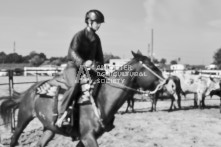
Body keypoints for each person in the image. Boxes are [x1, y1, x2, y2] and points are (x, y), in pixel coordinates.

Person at [55, 9, 105, 127]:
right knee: (74, 85)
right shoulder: (79, 35)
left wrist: (101, 70)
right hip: (73, 67)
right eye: (97, 22)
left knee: (101, 83)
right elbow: (72, 53)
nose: (99, 25)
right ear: (89, 21)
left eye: (100, 23)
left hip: (88, 70)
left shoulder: (97, 39)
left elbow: (99, 57)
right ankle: (62, 114)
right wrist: (83, 62)